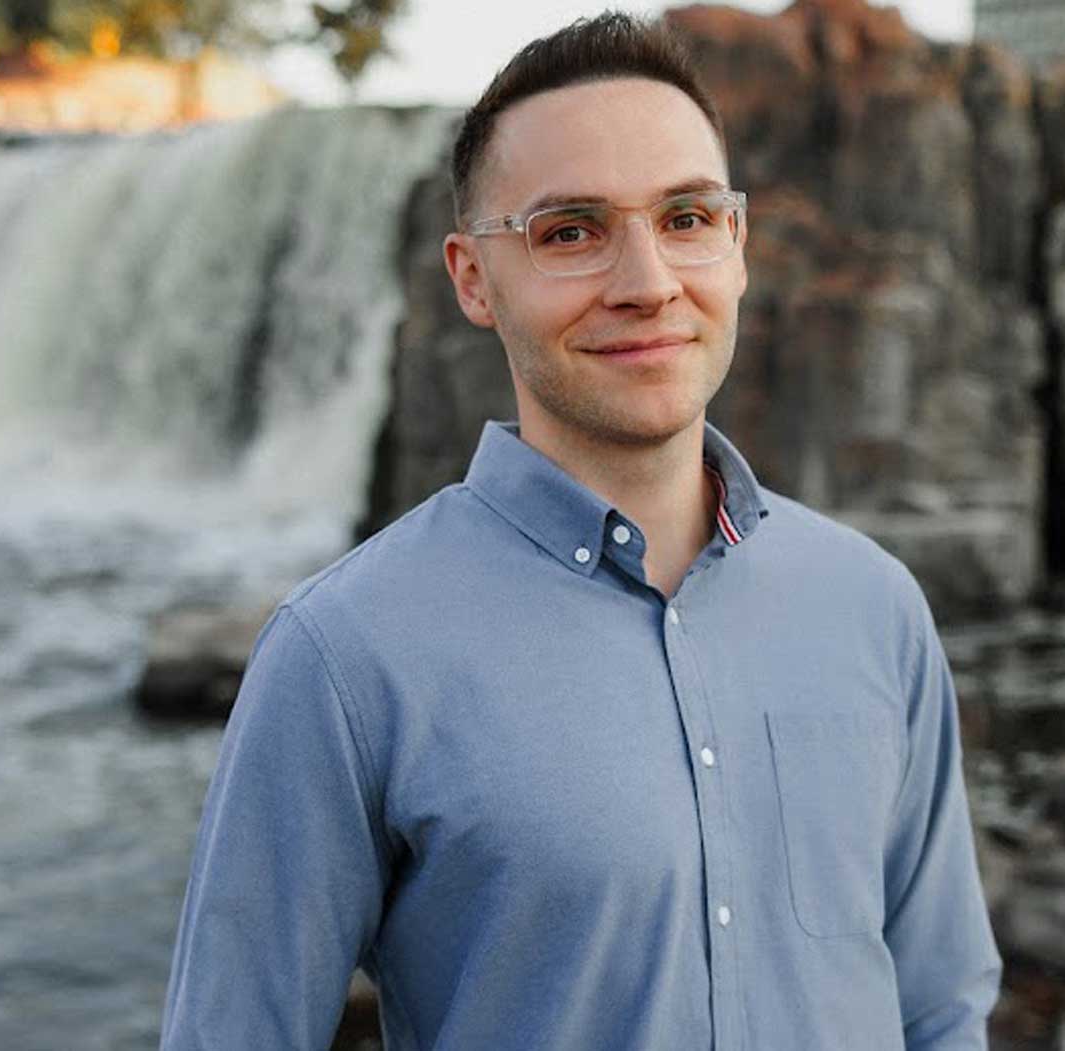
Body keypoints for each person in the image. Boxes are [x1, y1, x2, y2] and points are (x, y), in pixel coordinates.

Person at [159, 12, 1002, 1050]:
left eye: (685, 217)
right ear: (472, 277)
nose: (647, 283)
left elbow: (940, 1007)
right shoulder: (343, 657)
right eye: (570, 232)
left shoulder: (872, 606)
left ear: (734, 244)